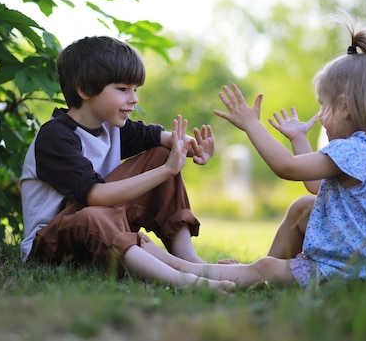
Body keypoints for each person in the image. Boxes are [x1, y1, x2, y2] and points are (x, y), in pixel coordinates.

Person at [155, 18, 366, 289]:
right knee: (303, 207)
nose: (319, 116)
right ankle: (257, 277)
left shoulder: (351, 151)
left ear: (345, 107)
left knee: (267, 266)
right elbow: (316, 185)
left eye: (322, 106)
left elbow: (287, 167)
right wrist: (299, 138)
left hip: (355, 275)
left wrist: (251, 124)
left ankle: (189, 269)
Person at [20, 35, 235, 292]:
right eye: (122, 89)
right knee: (93, 214)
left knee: (158, 152)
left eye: (135, 89)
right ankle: (182, 280)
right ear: (84, 89)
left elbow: (160, 137)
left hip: (102, 224)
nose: (133, 99)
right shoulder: (56, 136)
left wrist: (192, 147)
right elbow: (94, 196)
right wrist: (167, 170)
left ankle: (189, 259)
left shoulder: (111, 127)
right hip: (52, 243)